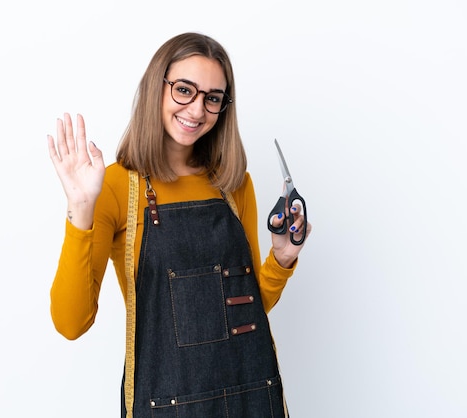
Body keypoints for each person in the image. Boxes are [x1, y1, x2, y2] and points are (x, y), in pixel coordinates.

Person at [47, 32, 311, 418]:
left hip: (250, 399)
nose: (197, 109)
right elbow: (71, 323)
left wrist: (282, 259)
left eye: (213, 98)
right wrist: (81, 208)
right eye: (184, 89)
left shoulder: (234, 183)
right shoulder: (115, 186)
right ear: (158, 86)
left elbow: (243, 312)